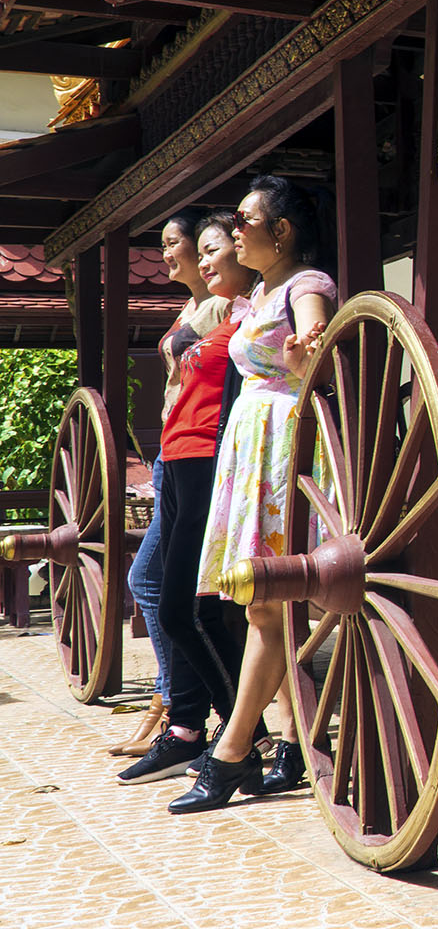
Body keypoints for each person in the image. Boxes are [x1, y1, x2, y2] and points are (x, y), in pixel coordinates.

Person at [171, 177, 336, 814]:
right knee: (263, 606)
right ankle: (295, 742)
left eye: (245, 219)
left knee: (266, 606)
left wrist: (304, 362)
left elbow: (321, 353)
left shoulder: (307, 286)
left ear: (282, 231)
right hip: (250, 446)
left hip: (282, 444)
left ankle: (230, 754)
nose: (236, 229)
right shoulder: (260, 292)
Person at [116, 213, 254, 783]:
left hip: (207, 461)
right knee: (170, 598)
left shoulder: (238, 309)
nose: (189, 258)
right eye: (181, 248)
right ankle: (187, 725)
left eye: (200, 247)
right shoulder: (205, 308)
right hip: (178, 459)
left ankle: (233, 733)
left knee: (175, 601)